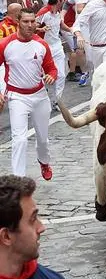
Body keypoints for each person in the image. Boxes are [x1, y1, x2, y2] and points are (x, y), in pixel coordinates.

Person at [0, 8, 57, 180]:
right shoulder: (5, 44)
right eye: (26, 21)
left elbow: (51, 68)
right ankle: (19, 180)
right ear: (18, 22)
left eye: (33, 21)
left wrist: (51, 76)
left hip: (39, 96)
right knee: (20, 139)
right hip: (17, 97)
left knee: (43, 140)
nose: (30, 25)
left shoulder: (42, 45)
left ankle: (44, 161)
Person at [36, 0, 68, 109]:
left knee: (61, 75)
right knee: (42, 77)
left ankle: (57, 101)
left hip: (57, 46)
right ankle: (37, 103)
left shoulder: (58, 12)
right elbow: (30, 27)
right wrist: (41, 28)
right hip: (44, 48)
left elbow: (61, 25)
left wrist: (72, 30)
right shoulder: (43, 12)